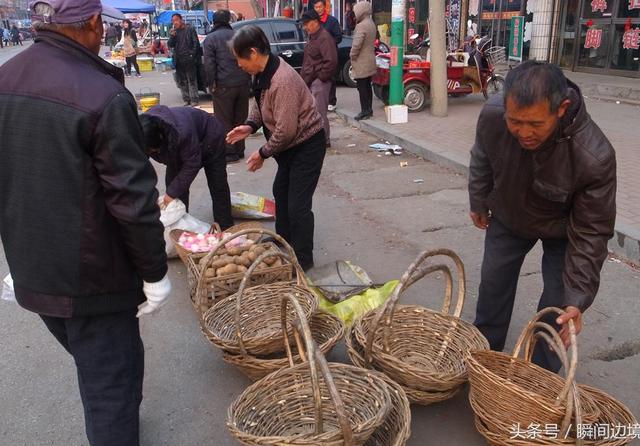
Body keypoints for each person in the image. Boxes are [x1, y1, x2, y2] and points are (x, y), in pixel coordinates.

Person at [0, 0, 171, 444]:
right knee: (111, 384)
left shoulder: (5, 79)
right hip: (94, 281)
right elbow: (133, 200)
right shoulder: (101, 95)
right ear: (94, 23)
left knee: (96, 365)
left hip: (35, 271)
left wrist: (18, 253)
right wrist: (154, 273)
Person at [468, 61, 616, 373]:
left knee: (558, 305)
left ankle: (539, 376)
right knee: (493, 285)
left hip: (563, 229)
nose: (523, 132)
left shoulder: (593, 156)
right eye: (516, 122)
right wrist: (479, 200)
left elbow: (592, 232)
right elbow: (482, 157)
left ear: (561, 108)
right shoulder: (495, 116)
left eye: (535, 124)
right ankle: (483, 356)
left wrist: (578, 298)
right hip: (509, 214)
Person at [226, 26, 325, 271]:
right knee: (281, 190)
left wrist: (262, 153)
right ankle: (284, 240)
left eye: (239, 59)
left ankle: (303, 259)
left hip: (307, 144)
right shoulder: (262, 73)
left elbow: (286, 130)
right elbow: (260, 105)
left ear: (252, 52)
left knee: (298, 205)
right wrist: (249, 126)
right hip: (289, 147)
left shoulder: (283, 80)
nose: (239, 65)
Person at [139, 105, 234, 230]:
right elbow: (139, 162)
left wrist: (171, 194)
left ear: (161, 138)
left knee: (217, 184)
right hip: (177, 149)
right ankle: (180, 227)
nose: (153, 152)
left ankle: (225, 227)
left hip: (211, 140)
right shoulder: (140, 132)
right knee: (174, 188)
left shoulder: (182, 132)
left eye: (154, 150)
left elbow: (191, 164)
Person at [203, 9, 251, 163]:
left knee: (224, 119)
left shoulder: (210, 39)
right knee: (240, 118)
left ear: (215, 22)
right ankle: (240, 149)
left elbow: (209, 65)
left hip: (223, 85)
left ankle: (230, 152)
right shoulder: (238, 35)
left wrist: (211, 85)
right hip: (242, 83)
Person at [300, 10, 337, 148]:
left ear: (315, 22)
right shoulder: (313, 36)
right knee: (312, 113)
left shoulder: (324, 37)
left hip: (319, 81)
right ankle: (316, 140)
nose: (305, 27)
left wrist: (321, 77)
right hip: (310, 80)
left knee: (320, 112)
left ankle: (324, 140)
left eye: (307, 24)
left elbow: (331, 61)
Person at [312, 0, 341, 112]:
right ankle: (320, 100)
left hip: (330, 54)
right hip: (317, 56)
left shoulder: (332, 21)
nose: (318, 9)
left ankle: (331, 101)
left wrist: (327, 44)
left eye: (320, 7)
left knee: (331, 78)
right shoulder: (314, 22)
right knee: (318, 77)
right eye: (316, 7)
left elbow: (338, 37)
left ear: (324, 7)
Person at [350, 1, 376, 121]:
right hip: (370, 59)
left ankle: (364, 111)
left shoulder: (361, 26)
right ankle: (369, 109)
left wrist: (352, 56)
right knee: (367, 86)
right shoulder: (371, 23)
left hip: (361, 61)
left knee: (362, 87)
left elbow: (357, 45)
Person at [168, 13, 200, 106]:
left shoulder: (190, 29)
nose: (175, 22)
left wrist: (192, 55)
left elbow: (196, 44)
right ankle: (186, 99)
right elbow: (170, 44)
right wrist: (172, 36)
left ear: (181, 20)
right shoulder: (175, 32)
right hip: (179, 59)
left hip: (189, 58)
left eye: (176, 20)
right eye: (173, 21)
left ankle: (194, 99)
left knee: (192, 80)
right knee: (182, 81)